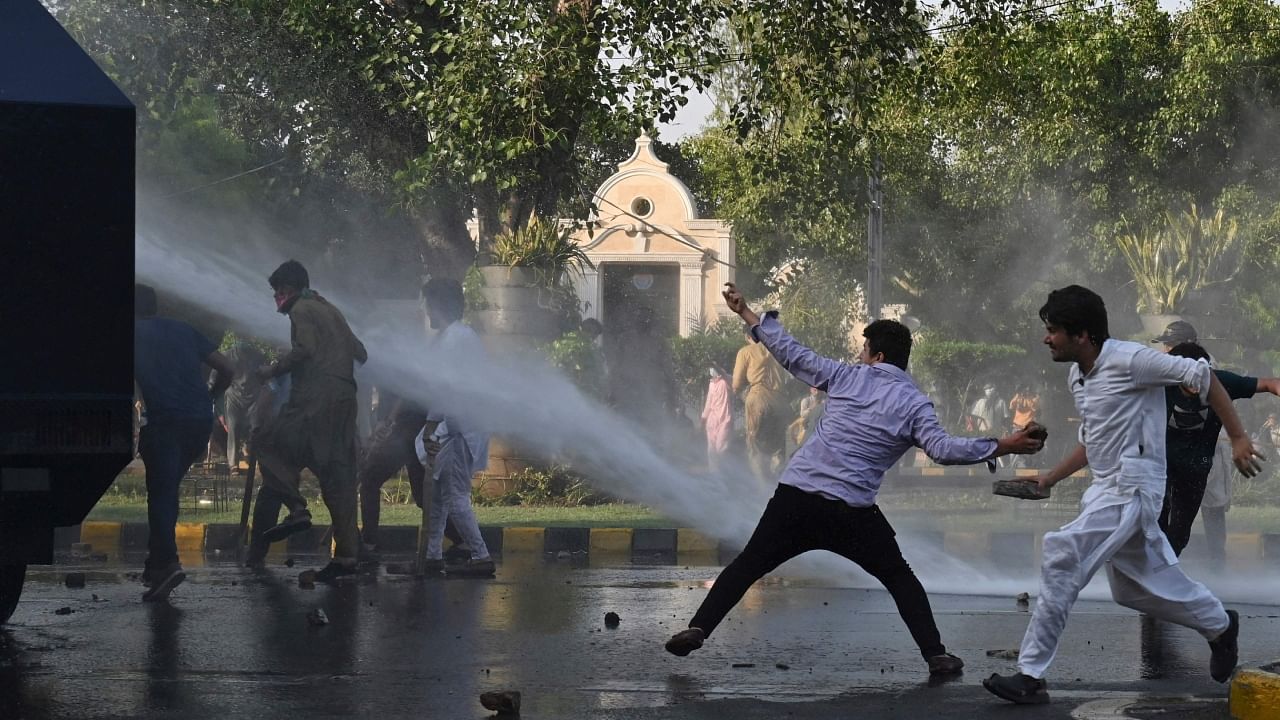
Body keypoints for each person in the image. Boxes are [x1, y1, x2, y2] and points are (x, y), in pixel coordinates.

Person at [665, 283, 1045, 676]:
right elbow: (944, 450)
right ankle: (936, 655)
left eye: (863, 351)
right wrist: (1005, 444)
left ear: (876, 355)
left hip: (796, 498)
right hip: (852, 512)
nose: (859, 357)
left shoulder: (847, 377)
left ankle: (697, 629)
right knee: (900, 578)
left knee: (748, 565)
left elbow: (792, 354)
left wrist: (747, 314)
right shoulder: (915, 403)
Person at [983, 286, 1264, 705]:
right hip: (1106, 488)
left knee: (1062, 553)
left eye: (1053, 330)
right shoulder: (1078, 374)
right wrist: (1050, 479)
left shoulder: (1131, 359)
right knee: (1130, 590)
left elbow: (1203, 377)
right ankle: (1219, 625)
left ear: (1082, 335)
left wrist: (1239, 437)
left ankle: (1031, 674)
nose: (1047, 338)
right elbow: (1093, 442)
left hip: (1134, 486)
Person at [254, 260, 368, 583]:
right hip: (345, 400)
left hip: (315, 399)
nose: (276, 297)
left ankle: (297, 507)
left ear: (288, 289)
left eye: (278, 291)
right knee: (339, 477)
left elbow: (306, 348)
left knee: (267, 441)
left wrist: (272, 370)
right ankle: (346, 557)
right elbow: (361, 353)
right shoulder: (331, 309)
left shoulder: (301, 309)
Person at [133, 283, 235, 601]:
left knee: (161, 493)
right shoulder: (181, 328)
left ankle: (167, 564)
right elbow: (227, 367)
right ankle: (155, 563)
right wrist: (212, 396)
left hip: (165, 422)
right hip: (198, 422)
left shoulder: (131, 333)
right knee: (168, 489)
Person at [1159, 342, 1279, 557]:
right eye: (1189, 376)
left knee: (1179, 534)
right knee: (1155, 523)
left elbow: (1270, 383)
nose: (1197, 383)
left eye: (1202, 376)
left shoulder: (1219, 381)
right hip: (1160, 466)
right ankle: (1149, 572)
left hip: (1196, 468)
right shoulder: (1160, 383)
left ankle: (1164, 569)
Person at [419, 277, 495, 577]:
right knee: (438, 497)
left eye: (427, 305)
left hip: (459, 429)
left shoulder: (454, 339)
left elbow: (447, 388)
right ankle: (432, 555)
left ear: (439, 306)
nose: (425, 312)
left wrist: (429, 424)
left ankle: (481, 555)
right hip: (458, 427)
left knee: (454, 497)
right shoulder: (459, 335)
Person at [357, 390, 467, 560]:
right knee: (422, 495)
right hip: (411, 428)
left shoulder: (401, 369)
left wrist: (388, 421)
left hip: (407, 428)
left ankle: (369, 541)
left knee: (370, 479)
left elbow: (405, 391)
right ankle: (461, 539)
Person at [733, 325, 786, 480]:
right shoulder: (777, 351)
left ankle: (761, 488)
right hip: (780, 402)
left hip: (758, 399)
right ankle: (776, 484)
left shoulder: (746, 352)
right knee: (777, 447)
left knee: (755, 446)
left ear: (747, 337)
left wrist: (740, 393)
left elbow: (736, 384)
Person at [222, 339, 266, 473]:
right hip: (233, 395)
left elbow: (263, 375)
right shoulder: (227, 355)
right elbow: (216, 377)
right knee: (233, 428)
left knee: (254, 428)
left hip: (253, 395)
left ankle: (253, 460)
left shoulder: (258, 355)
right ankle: (233, 464)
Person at [700, 366, 733, 472]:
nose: (711, 371)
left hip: (725, 418)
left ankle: (721, 469)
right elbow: (709, 402)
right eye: (710, 369)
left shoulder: (725, 381)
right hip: (712, 419)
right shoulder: (711, 384)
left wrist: (720, 369)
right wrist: (704, 417)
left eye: (713, 369)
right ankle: (713, 471)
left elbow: (732, 379)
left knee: (721, 446)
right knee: (711, 446)